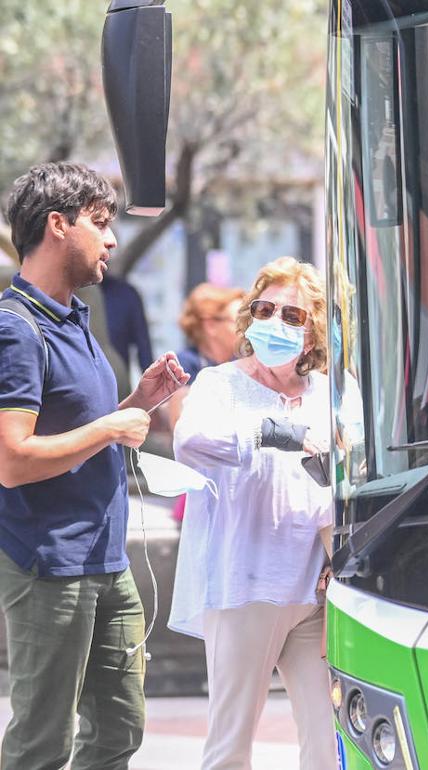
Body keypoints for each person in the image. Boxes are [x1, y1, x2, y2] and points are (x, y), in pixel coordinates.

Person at [0, 161, 188, 770]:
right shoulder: (16, 330)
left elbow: (78, 428)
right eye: (101, 224)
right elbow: (12, 460)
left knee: (118, 732)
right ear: (58, 224)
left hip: (105, 561)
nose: (112, 240)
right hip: (49, 564)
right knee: (41, 745)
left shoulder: (75, 316)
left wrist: (136, 405)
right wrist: (112, 425)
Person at [170, 256, 336, 770]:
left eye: (292, 316)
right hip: (245, 585)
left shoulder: (327, 392)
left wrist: (342, 557)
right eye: (265, 309)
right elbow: (190, 441)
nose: (275, 323)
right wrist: (272, 433)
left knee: (330, 739)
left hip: (313, 588)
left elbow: (343, 482)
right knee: (230, 744)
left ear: (311, 335)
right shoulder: (220, 385)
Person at [167, 282, 246, 425]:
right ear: (210, 326)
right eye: (239, 322)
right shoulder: (182, 366)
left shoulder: (244, 366)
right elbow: (179, 426)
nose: (247, 330)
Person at [100, 272, 154, 376]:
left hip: (117, 379)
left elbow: (144, 348)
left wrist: (152, 385)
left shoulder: (126, 294)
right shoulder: (72, 293)